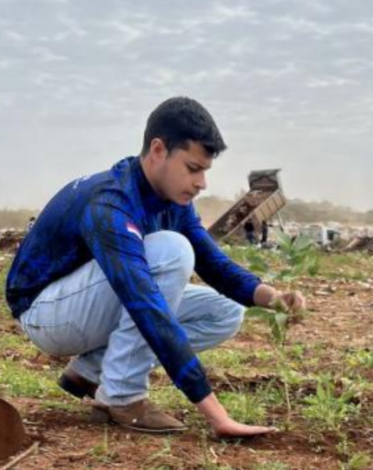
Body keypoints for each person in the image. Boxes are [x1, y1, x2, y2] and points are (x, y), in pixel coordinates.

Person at [4, 97, 305, 437]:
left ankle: (89, 370)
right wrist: (216, 415)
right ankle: (123, 396)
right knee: (171, 252)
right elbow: (144, 303)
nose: (202, 183)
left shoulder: (172, 201)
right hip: (47, 314)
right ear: (158, 150)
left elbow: (213, 263)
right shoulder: (111, 203)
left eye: (205, 171)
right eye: (193, 168)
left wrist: (272, 298)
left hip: (90, 302)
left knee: (224, 312)